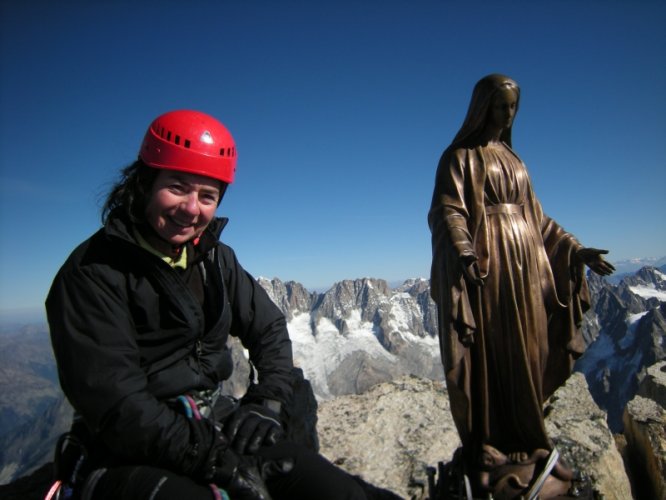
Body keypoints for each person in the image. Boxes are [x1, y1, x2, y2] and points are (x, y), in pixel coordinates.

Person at [46, 110, 398, 500]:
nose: (191, 208)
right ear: (144, 183)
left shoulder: (216, 259)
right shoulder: (93, 272)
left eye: (207, 195)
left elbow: (268, 328)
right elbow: (118, 405)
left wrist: (267, 402)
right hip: (127, 448)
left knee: (338, 493)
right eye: (177, 187)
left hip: (214, 422)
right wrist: (215, 458)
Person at [427, 75, 614, 497]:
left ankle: (531, 441)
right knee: (496, 351)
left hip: (527, 264)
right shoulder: (459, 157)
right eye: (500, 106)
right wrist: (464, 251)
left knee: (531, 349)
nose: (508, 114)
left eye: (513, 107)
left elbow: (539, 221)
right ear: (482, 108)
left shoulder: (516, 161)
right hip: (489, 268)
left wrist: (575, 250)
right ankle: (491, 442)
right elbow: (447, 211)